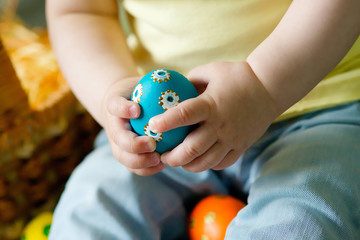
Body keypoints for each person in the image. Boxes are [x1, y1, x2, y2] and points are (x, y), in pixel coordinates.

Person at [46, 0, 360, 239]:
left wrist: (263, 86)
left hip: (318, 106)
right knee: (87, 215)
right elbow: (78, 12)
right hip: (158, 139)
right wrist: (110, 97)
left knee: (302, 221)